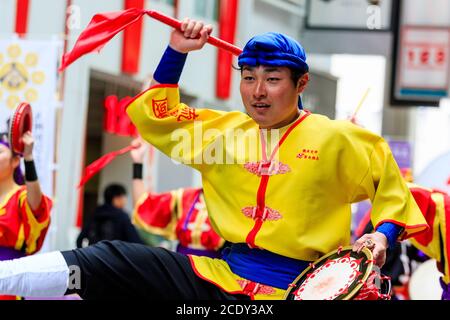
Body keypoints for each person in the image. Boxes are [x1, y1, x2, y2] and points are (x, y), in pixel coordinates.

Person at [0, 18, 428, 300]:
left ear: (301, 83)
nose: (258, 91)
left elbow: (392, 188)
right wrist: (177, 53)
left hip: (303, 288)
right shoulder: (221, 133)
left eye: (273, 80)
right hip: (218, 277)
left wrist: (383, 234)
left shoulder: (339, 139)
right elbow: (154, 116)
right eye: (248, 79)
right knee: (111, 259)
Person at [130, 138, 225, 258]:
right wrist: (138, 162)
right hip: (182, 267)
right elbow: (143, 204)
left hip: (214, 270)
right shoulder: (185, 198)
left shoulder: (234, 204)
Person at [0, 128, 52, 300]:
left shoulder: (21, 196)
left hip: (9, 281)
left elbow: (37, 208)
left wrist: (28, 158)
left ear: (15, 160)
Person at [76, 183, 144, 247]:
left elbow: (79, 240)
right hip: (115, 257)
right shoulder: (122, 216)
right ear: (116, 199)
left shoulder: (94, 214)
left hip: (94, 256)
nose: (125, 201)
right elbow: (136, 242)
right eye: (124, 197)